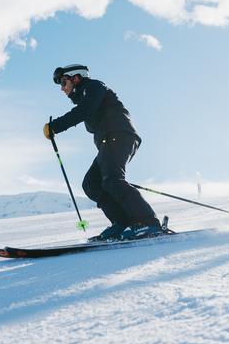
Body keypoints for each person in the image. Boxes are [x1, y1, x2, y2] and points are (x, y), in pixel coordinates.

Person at [44, 64, 163, 241]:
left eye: (63, 82)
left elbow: (85, 110)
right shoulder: (84, 97)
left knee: (113, 180)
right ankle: (121, 223)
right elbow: (85, 110)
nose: (62, 88)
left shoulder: (94, 87)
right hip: (109, 142)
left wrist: (56, 126)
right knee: (92, 184)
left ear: (76, 78)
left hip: (120, 136)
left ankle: (148, 223)